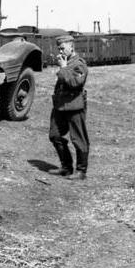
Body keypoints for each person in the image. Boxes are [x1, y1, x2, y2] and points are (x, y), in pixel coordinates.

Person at [48, 35, 90, 180]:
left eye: (63, 48)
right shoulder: (65, 62)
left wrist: (63, 68)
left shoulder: (79, 64)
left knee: (78, 139)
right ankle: (66, 167)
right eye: (59, 48)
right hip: (60, 105)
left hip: (75, 105)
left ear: (71, 46)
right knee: (55, 135)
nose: (60, 51)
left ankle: (81, 171)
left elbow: (74, 83)